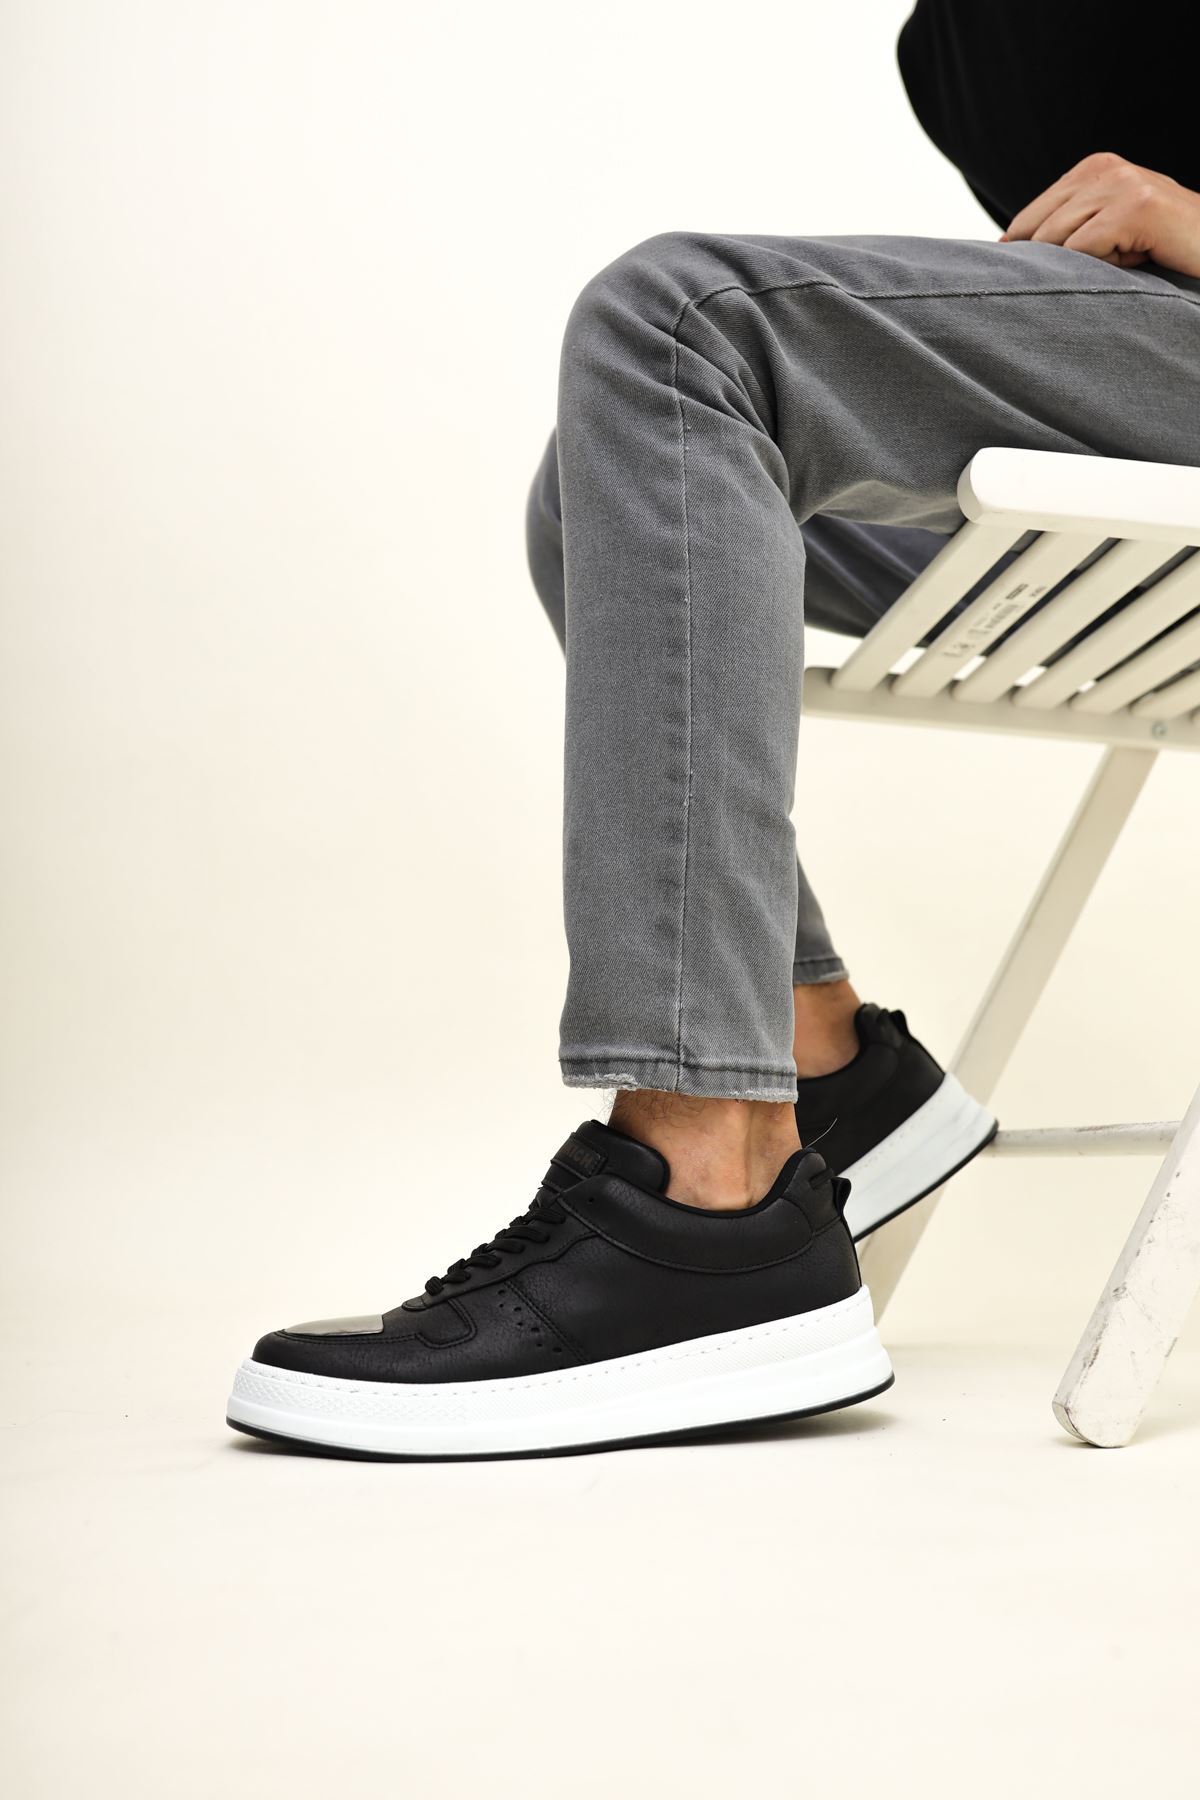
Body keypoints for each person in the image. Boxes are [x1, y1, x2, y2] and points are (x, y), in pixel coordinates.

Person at [226, 1, 1200, 1459]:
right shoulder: (958, 43)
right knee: (617, 488)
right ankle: (819, 1068)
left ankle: (705, 1194)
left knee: (681, 325)